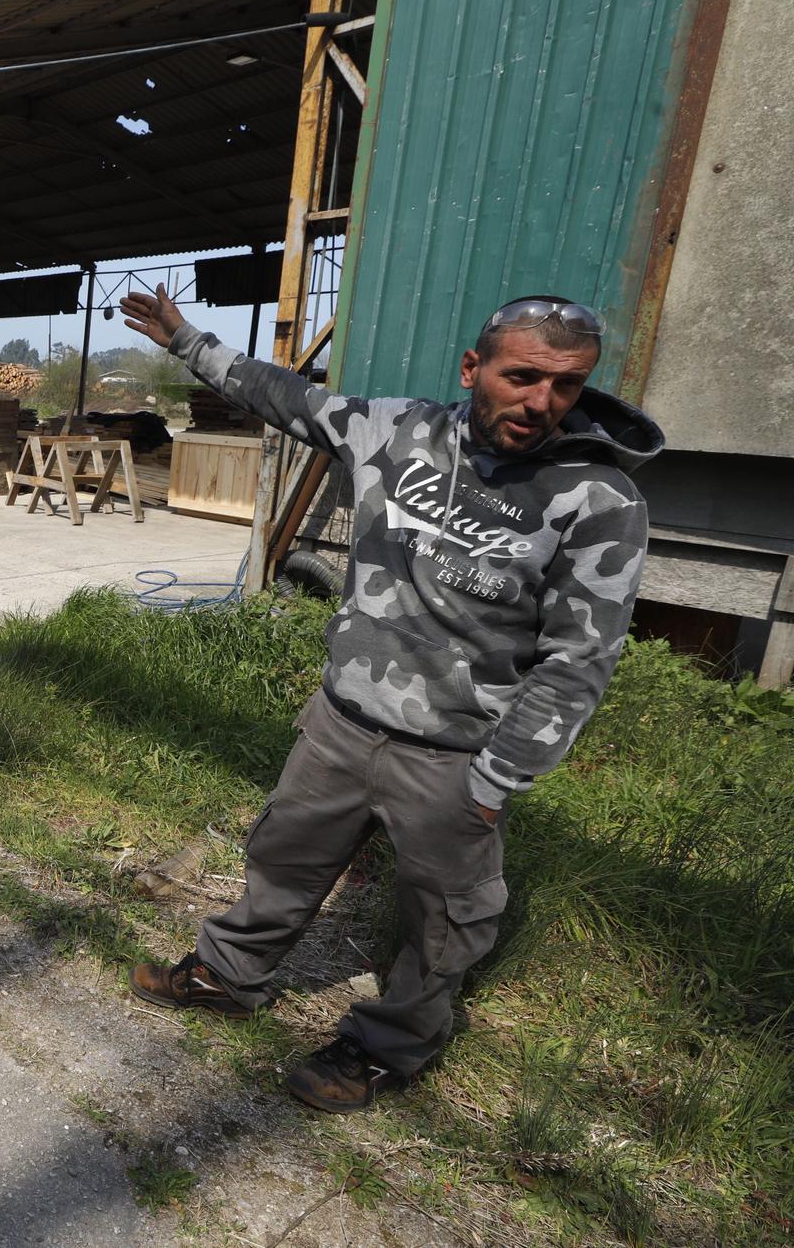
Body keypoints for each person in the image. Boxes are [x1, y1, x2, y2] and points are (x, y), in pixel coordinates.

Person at [120, 285, 660, 1112]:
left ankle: (388, 1044)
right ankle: (230, 974)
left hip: (456, 756)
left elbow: (580, 660)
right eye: (521, 377)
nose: (541, 401)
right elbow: (287, 397)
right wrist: (186, 340)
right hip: (341, 722)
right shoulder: (397, 430)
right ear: (473, 366)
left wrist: (496, 780)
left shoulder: (597, 501)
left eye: (566, 384)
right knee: (283, 858)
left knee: (444, 918)